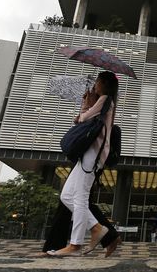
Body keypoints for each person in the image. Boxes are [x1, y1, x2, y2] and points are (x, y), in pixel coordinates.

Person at [48, 71, 117, 257]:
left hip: (93, 155)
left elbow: (82, 119)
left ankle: (75, 244)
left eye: (97, 81)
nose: (95, 84)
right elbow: (84, 119)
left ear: (103, 83)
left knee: (80, 197)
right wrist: (87, 106)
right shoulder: (102, 101)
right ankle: (96, 228)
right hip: (88, 154)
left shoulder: (106, 99)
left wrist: (86, 106)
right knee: (67, 195)